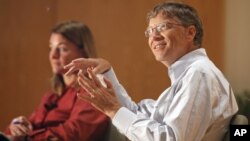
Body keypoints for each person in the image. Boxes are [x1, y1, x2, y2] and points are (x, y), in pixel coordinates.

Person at [64, 2, 238, 141]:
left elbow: (171, 139)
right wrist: (107, 72)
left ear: (190, 32)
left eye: (163, 27)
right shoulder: (189, 76)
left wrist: (114, 111)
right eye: (150, 31)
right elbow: (136, 114)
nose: (153, 36)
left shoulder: (199, 74)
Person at [4, 20, 109, 141]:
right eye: (51, 48)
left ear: (83, 52)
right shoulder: (52, 95)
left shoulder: (92, 91)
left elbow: (73, 134)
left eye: (62, 49)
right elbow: (28, 126)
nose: (53, 55)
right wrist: (17, 126)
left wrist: (28, 137)